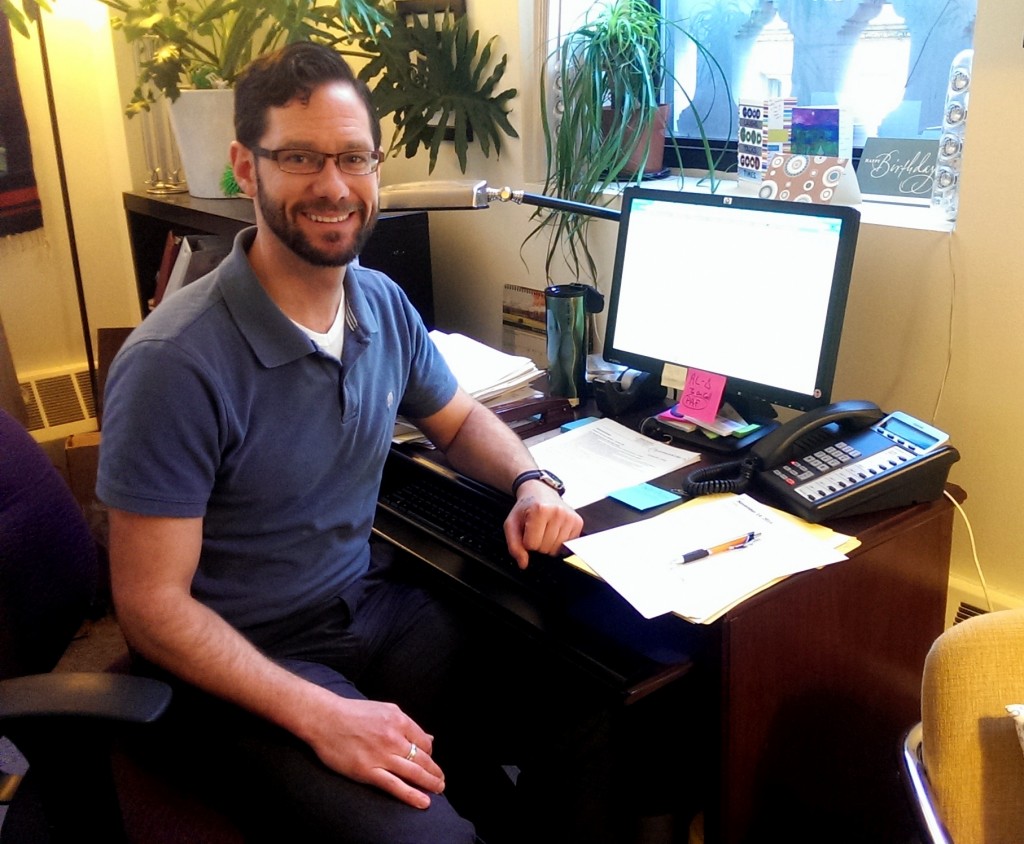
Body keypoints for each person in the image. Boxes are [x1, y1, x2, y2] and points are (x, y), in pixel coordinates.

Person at [97, 41, 586, 843]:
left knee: (592, 709)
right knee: (431, 839)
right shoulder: (173, 364)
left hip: (366, 614)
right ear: (246, 169)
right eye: (299, 157)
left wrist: (534, 483)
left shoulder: (381, 304)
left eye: (353, 158)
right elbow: (151, 609)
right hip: (240, 667)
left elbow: (458, 421)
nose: (333, 186)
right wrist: (320, 715)